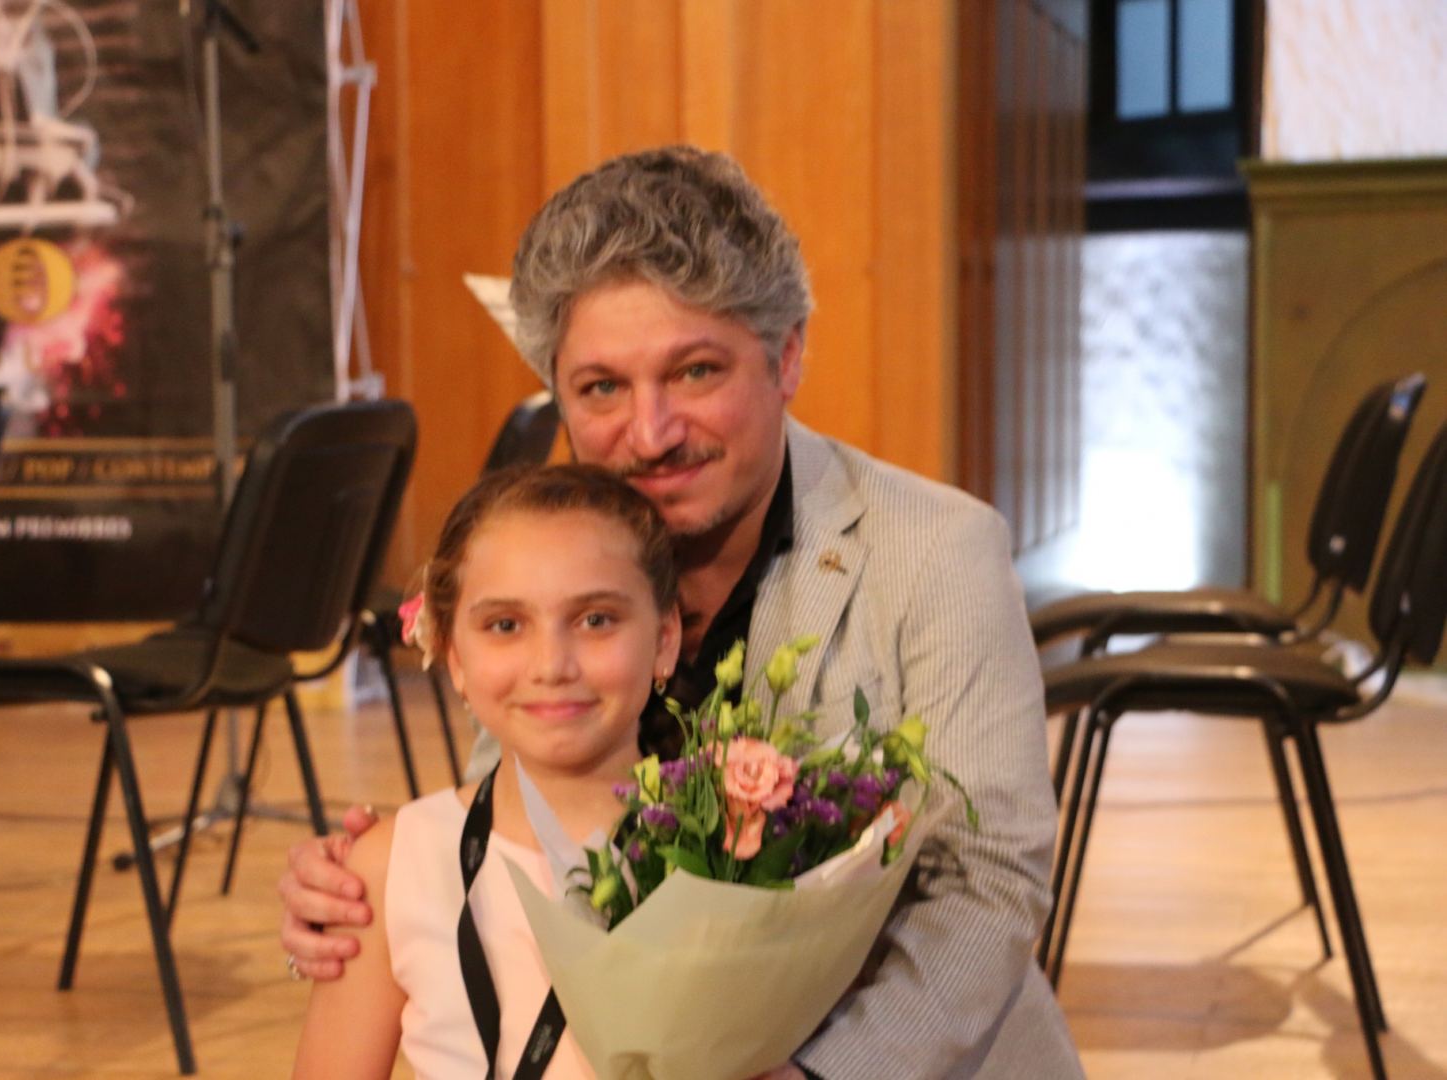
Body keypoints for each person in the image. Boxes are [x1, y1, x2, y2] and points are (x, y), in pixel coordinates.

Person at [282, 146, 1084, 1078]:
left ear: (786, 357)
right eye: (602, 388)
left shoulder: (936, 551)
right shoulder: (553, 558)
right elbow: (513, 822)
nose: (651, 433)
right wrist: (358, 900)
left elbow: (986, 886)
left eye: (696, 372)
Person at [293, 464, 681, 1078]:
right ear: (454, 655)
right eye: (506, 626)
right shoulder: (393, 864)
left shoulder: (730, 853)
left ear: (664, 638)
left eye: (596, 619)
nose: (551, 665)